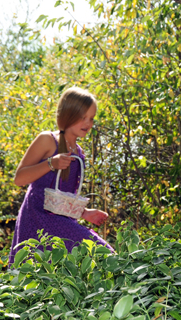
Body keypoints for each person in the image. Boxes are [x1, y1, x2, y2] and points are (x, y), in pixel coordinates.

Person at [8, 87, 114, 265]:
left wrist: (84, 213)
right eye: (83, 117)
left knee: (92, 261)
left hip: (58, 221)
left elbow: (60, 198)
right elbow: (19, 178)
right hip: (37, 219)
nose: (88, 123)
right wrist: (51, 163)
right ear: (68, 114)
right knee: (100, 254)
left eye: (91, 119)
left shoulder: (78, 153)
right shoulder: (47, 140)